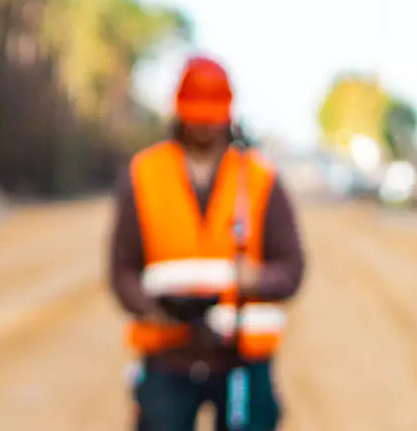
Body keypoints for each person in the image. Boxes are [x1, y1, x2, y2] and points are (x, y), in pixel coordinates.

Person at [108, 55, 306, 431]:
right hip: (167, 356)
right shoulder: (144, 175)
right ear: (179, 111)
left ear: (229, 114)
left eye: (211, 114)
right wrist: (151, 308)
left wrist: (258, 280)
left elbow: (292, 269)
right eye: (195, 112)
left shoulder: (261, 178)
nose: (202, 123)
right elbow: (122, 270)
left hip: (242, 359)